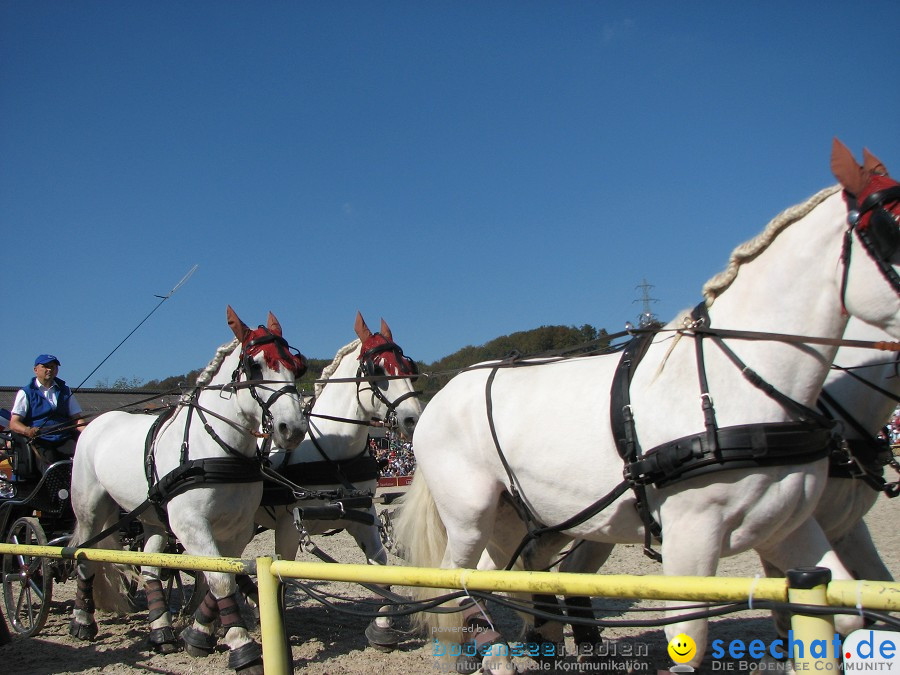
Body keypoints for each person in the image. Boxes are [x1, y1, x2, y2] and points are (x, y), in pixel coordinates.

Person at [8, 354, 87, 474]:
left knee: (83, 457)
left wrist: (90, 432)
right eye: (45, 366)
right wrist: (28, 431)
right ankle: (56, 490)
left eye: (53, 367)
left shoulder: (65, 391)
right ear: (35, 370)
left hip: (64, 438)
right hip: (41, 439)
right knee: (51, 463)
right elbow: (14, 423)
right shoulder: (26, 393)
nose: (49, 369)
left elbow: (77, 419)